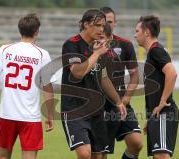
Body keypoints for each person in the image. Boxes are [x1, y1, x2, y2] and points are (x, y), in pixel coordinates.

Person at [0, 13, 55, 159]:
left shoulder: (5, 49)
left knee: (3, 157)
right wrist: (50, 114)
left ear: (20, 30)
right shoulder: (42, 54)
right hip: (30, 117)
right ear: (37, 32)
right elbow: (47, 86)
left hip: (6, 115)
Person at [61, 9, 127, 159]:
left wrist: (118, 101)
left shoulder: (99, 46)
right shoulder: (72, 45)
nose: (101, 29)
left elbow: (103, 78)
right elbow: (77, 72)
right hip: (74, 110)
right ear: (85, 24)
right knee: (85, 154)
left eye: (103, 25)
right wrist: (96, 54)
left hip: (97, 111)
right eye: (97, 25)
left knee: (99, 156)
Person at [100, 7, 143, 159]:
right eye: (103, 22)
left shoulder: (125, 45)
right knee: (101, 152)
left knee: (136, 143)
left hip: (121, 103)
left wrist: (125, 99)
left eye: (110, 22)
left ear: (115, 23)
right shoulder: (91, 46)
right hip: (100, 105)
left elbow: (134, 75)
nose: (106, 25)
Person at [134, 15, 179, 159]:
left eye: (137, 31)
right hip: (157, 115)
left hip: (165, 113)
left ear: (146, 32)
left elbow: (172, 74)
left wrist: (162, 103)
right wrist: (150, 117)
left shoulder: (156, 51)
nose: (135, 35)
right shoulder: (152, 52)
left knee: (161, 156)